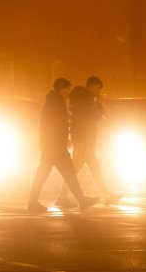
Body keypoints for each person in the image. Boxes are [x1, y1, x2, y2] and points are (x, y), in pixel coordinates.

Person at [28, 78, 99, 213]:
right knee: (67, 174)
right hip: (56, 146)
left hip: (52, 146)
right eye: (68, 89)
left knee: (49, 174)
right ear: (61, 90)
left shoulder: (54, 103)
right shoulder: (56, 105)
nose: (69, 92)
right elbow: (53, 126)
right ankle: (81, 200)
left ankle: (34, 201)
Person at [56, 75, 121, 207]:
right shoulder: (84, 98)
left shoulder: (84, 98)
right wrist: (99, 108)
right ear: (91, 87)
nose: (98, 92)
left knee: (92, 167)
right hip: (82, 137)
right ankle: (61, 197)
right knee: (75, 168)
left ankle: (107, 194)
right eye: (97, 89)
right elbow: (91, 117)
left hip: (85, 137)